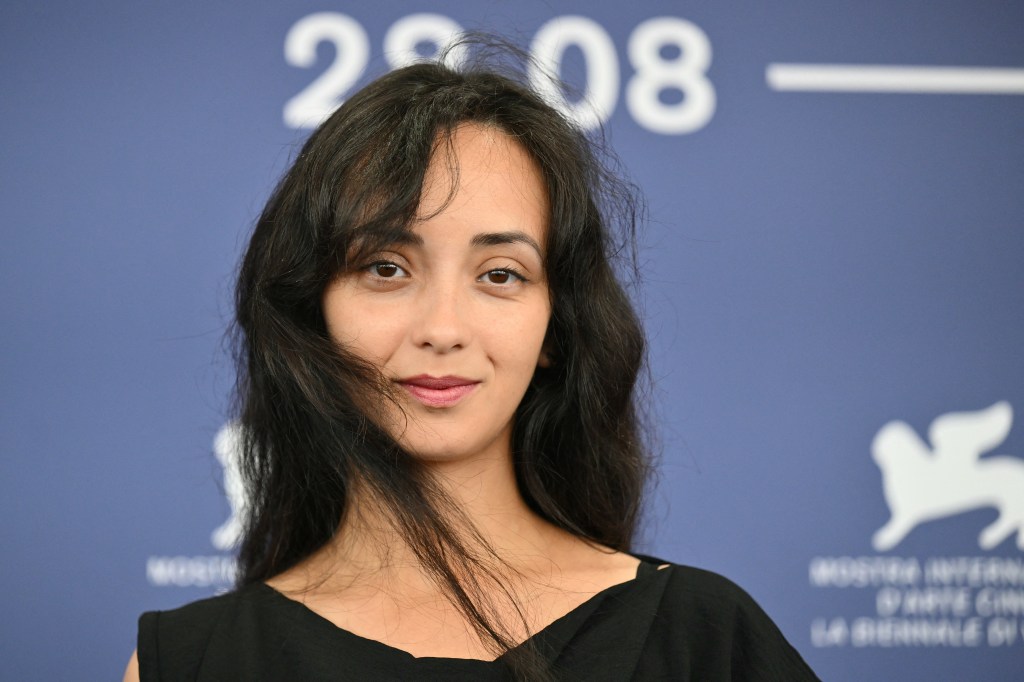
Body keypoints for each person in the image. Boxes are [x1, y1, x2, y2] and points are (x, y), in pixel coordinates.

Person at [125, 49, 819, 681]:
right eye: (386, 268)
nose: (443, 329)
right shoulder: (189, 662)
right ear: (312, 311)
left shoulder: (703, 638)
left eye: (501, 275)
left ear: (557, 325)